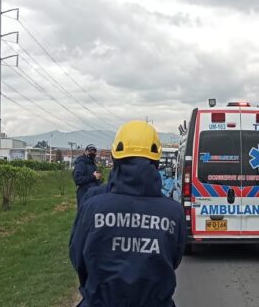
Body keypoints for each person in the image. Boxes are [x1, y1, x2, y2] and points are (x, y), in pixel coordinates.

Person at [69, 121, 186, 307]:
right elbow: (174, 258)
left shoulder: (93, 206)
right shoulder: (173, 212)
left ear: (115, 156)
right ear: (156, 160)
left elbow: (77, 257)